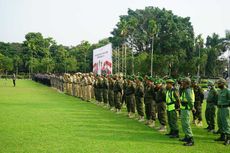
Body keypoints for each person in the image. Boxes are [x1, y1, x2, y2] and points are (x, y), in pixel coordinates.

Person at [179, 77, 195, 146]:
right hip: (183, 108)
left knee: (186, 124)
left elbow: (190, 100)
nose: (182, 83)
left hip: (186, 109)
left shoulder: (188, 90)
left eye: (183, 81)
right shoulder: (185, 89)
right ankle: (186, 136)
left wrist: (192, 107)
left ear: (186, 83)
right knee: (184, 123)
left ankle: (190, 139)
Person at [215, 78, 230, 145]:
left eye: (219, 83)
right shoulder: (220, 91)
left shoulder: (227, 91)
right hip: (220, 108)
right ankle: (222, 136)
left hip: (225, 108)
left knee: (226, 123)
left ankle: (228, 138)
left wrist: (226, 105)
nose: (218, 84)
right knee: (219, 122)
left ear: (223, 83)